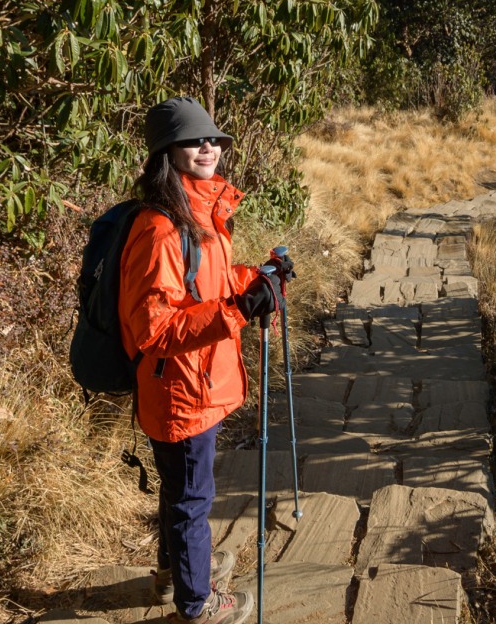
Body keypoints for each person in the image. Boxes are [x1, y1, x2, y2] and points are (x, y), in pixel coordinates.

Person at [119, 97, 287, 624]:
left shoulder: (197, 214)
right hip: (181, 388)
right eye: (195, 140)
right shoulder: (161, 230)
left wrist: (255, 280)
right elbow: (156, 327)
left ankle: (177, 577)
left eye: (214, 139)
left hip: (192, 380)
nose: (209, 147)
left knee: (179, 489)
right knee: (193, 497)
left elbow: (205, 287)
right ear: (168, 152)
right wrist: (239, 309)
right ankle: (198, 605)